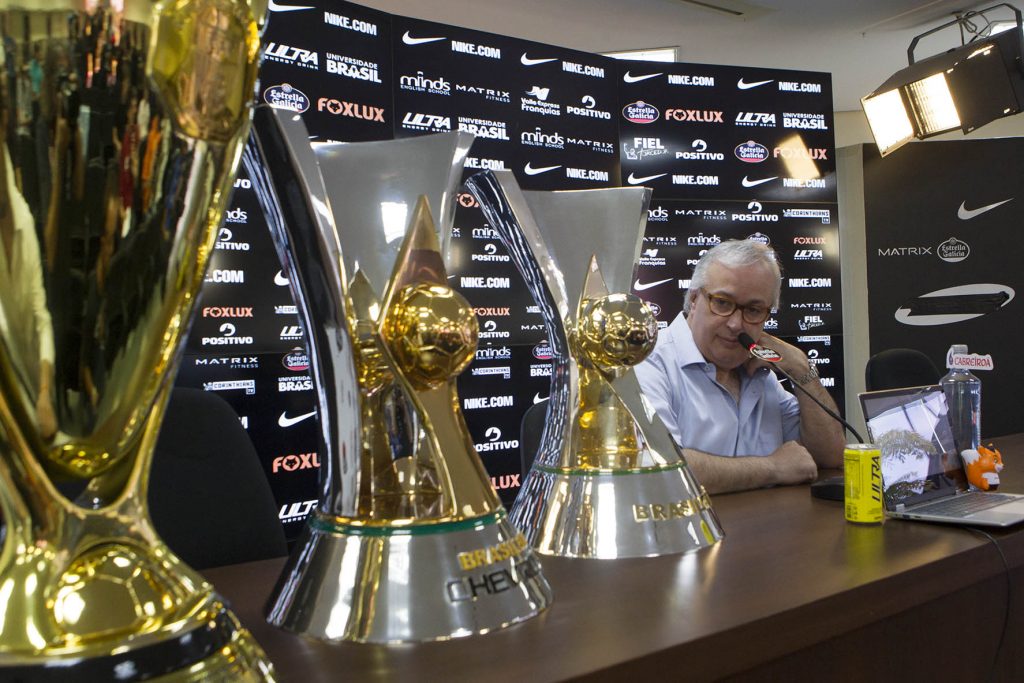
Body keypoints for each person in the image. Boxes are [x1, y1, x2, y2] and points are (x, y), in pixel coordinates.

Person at [635, 239, 844, 494]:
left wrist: (802, 371)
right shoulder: (649, 363)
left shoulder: (758, 369)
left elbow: (831, 456)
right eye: (722, 303)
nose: (736, 324)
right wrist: (773, 468)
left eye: (754, 310)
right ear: (693, 300)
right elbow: (660, 468)